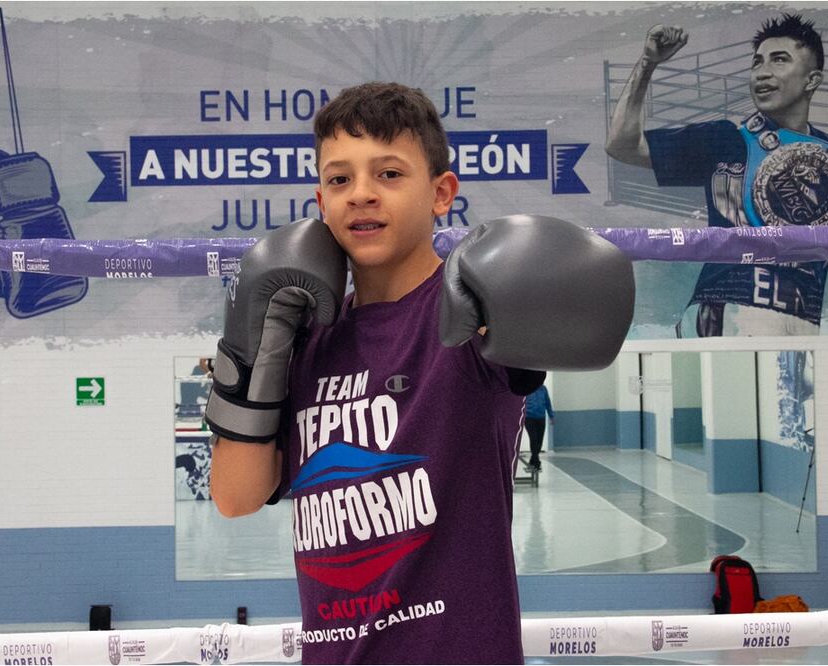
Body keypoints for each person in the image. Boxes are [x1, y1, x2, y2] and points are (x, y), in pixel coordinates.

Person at [202, 82, 635, 663]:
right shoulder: (306, 339)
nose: (361, 195)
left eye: (388, 174)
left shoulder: (474, 316)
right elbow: (235, 498)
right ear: (320, 200)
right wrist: (256, 351)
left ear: (441, 192)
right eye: (339, 179)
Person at [605, 13, 828, 337]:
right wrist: (648, 63)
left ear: (812, 80)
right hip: (719, 321)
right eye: (757, 62)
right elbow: (622, 145)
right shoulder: (724, 139)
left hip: (801, 328)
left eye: (779, 60)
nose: (763, 72)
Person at [523, 383, 555, 471]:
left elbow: (548, 402)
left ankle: (533, 461)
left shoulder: (543, 389)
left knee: (539, 441)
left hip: (541, 417)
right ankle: (536, 462)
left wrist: (551, 416)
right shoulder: (527, 388)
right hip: (529, 417)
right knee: (533, 439)